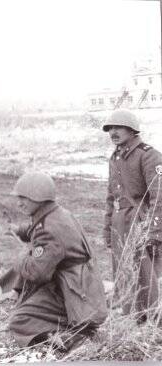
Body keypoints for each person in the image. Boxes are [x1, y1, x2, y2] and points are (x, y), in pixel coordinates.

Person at [6, 171, 107, 351]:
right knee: (26, 306)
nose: (19, 203)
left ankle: (74, 339)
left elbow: (36, 273)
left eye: (24, 198)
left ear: (40, 198)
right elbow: (35, 228)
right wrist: (19, 230)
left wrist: (21, 257)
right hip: (78, 285)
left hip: (73, 296)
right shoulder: (57, 214)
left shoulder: (49, 230)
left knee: (19, 321)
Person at [102, 109, 162, 323]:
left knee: (145, 273)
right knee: (123, 270)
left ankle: (153, 320)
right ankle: (132, 317)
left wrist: (153, 230)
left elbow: (159, 195)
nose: (113, 132)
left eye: (118, 127)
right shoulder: (116, 156)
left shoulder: (148, 155)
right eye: (110, 129)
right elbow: (112, 195)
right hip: (120, 223)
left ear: (131, 129)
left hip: (139, 221)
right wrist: (108, 226)